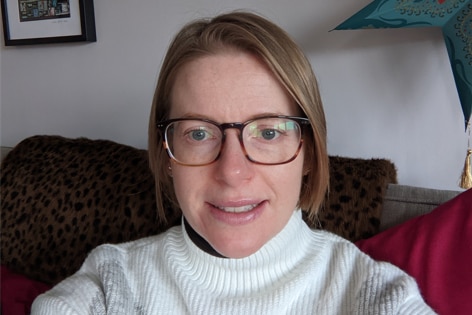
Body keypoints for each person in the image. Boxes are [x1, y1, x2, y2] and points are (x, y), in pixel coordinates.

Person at [32, 11, 435, 314]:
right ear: (168, 155)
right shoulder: (110, 284)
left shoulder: (378, 296)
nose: (232, 172)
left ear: (309, 153)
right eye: (199, 133)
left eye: (268, 132)